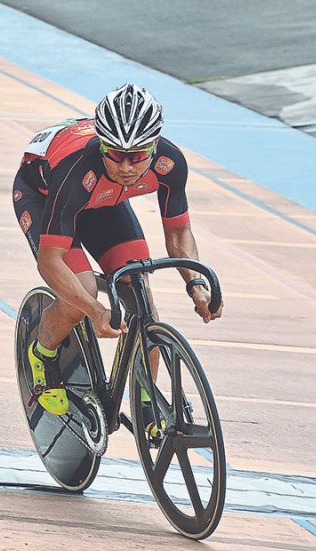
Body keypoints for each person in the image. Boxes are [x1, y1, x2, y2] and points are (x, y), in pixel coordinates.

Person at [13, 83, 223, 416]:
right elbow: (50, 263)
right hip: (45, 197)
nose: (126, 167)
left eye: (137, 156)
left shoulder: (170, 162)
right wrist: (94, 309)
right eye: (115, 154)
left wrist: (196, 284)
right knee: (81, 293)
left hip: (104, 201)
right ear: (102, 145)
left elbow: (180, 231)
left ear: (154, 146)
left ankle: (144, 399)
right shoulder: (76, 170)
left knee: (140, 291)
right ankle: (42, 352)